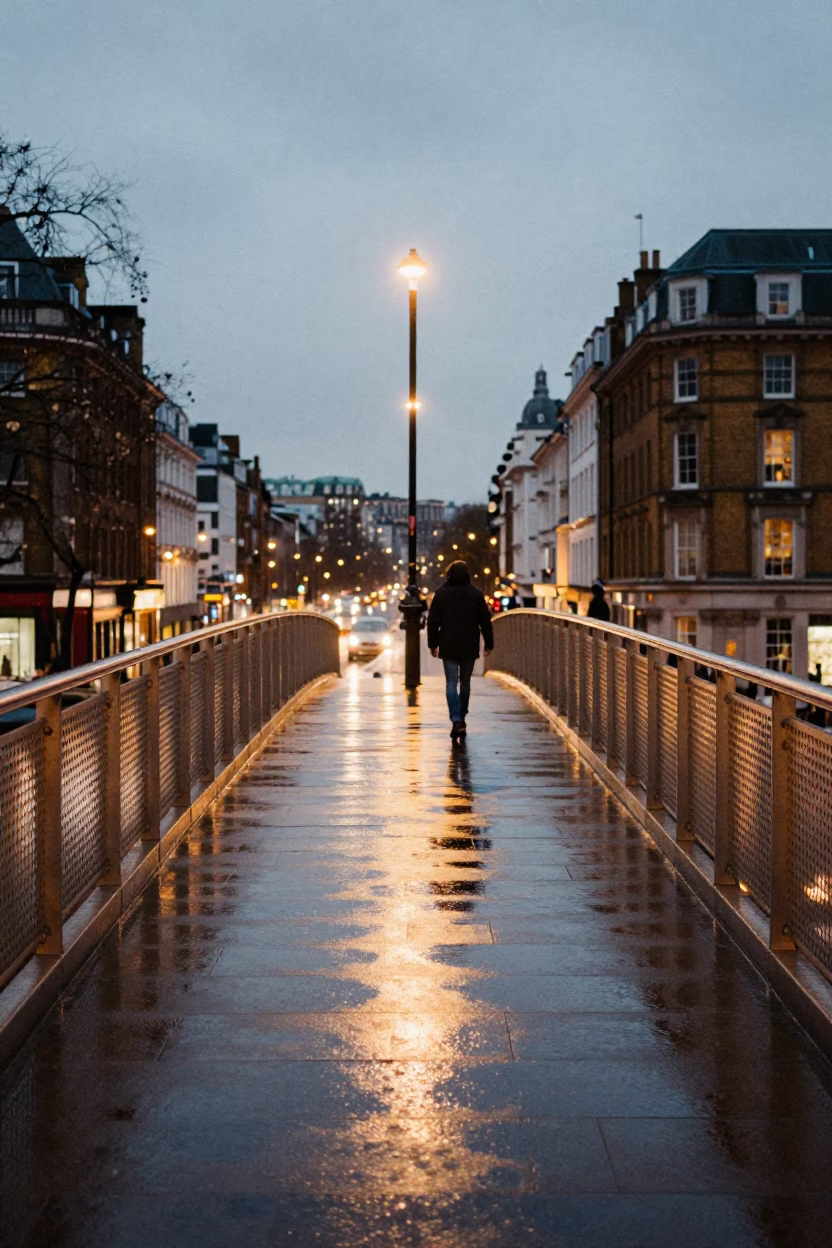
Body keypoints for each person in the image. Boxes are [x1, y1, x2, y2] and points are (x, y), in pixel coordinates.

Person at [428, 560, 494, 740]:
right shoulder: (476, 594)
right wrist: (489, 643)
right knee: (465, 683)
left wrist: (433, 643)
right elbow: (485, 620)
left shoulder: (441, 594)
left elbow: (432, 621)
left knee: (450, 682)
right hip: (469, 644)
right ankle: (462, 718)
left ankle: (455, 718)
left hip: (448, 644)